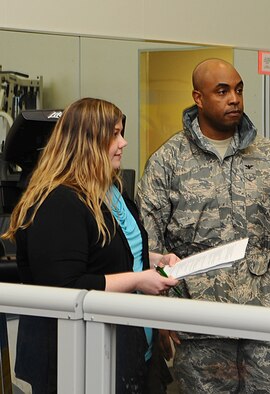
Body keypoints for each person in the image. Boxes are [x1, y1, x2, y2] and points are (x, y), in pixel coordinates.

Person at [136, 58, 270, 393]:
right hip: (198, 324)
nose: (234, 98)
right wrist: (160, 311)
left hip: (265, 318)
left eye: (238, 89)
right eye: (222, 91)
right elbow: (149, 244)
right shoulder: (167, 161)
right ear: (198, 98)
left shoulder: (267, 156)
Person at [2, 97, 180, 394]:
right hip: (78, 360)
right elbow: (66, 285)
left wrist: (153, 260)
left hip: (130, 348)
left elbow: (110, 251)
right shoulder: (58, 201)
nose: (123, 143)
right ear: (87, 141)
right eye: (114, 134)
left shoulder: (110, 189)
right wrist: (139, 279)